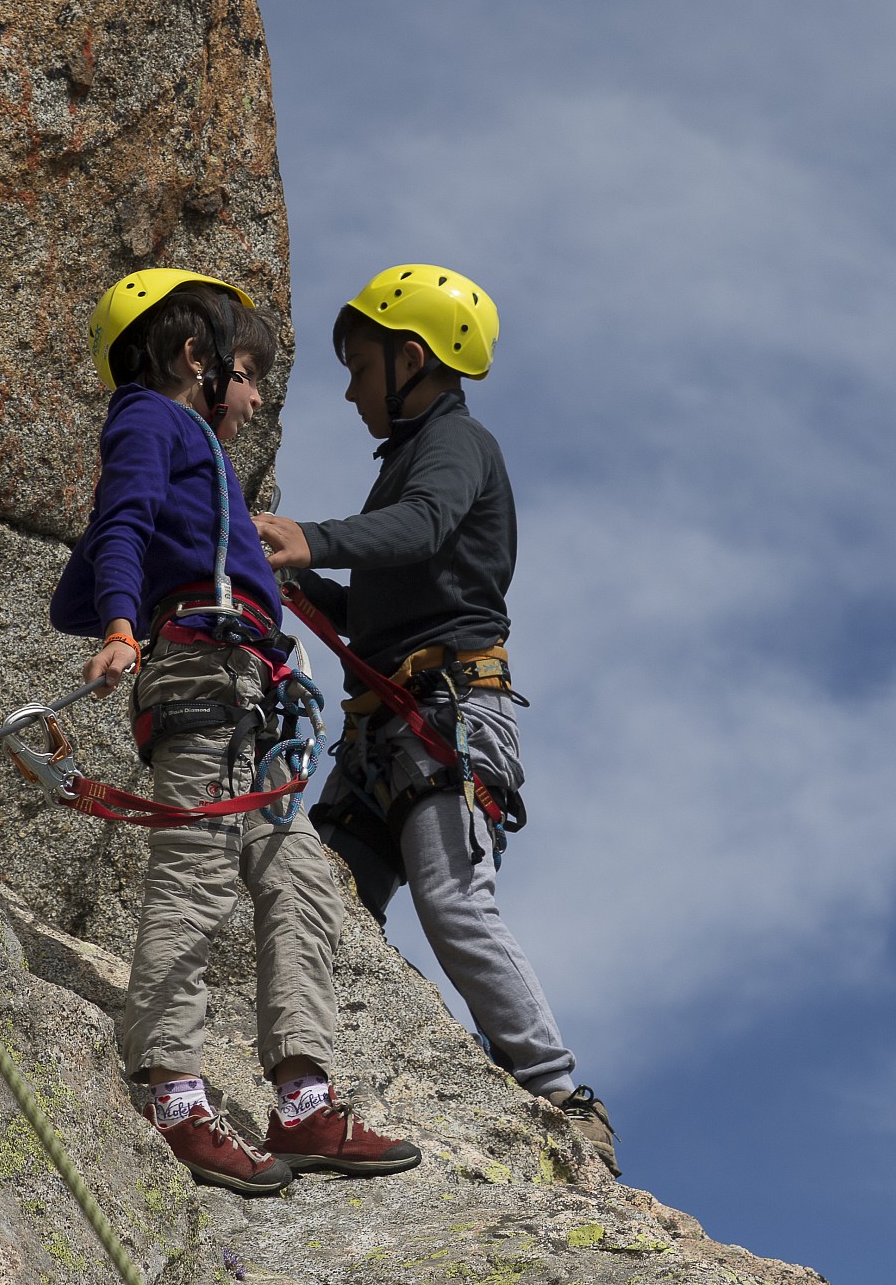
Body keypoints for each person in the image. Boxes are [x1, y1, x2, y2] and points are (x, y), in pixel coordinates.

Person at [51, 268, 419, 1196]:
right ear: (193, 358)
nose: (255, 399)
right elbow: (120, 522)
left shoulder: (200, 457)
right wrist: (125, 625)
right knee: (196, 867)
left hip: (246, 688)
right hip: (197, 672)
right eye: (247, 373)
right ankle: (172, 1089)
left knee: (296, 873)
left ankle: (302, 1100)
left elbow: (113, 547)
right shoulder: (149, 418)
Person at [252, 264, 616, 1174]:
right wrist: (302, 580)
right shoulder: (411, 463)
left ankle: (559, 1093)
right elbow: (389, 591)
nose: (348, 386)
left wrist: (311, 539)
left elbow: (420, 529)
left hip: (447, 718)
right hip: (394, 722)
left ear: (410, 359)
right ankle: (321, 1088)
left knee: (454, 900)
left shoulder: (457, 446)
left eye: (361, 363)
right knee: (326, 902)